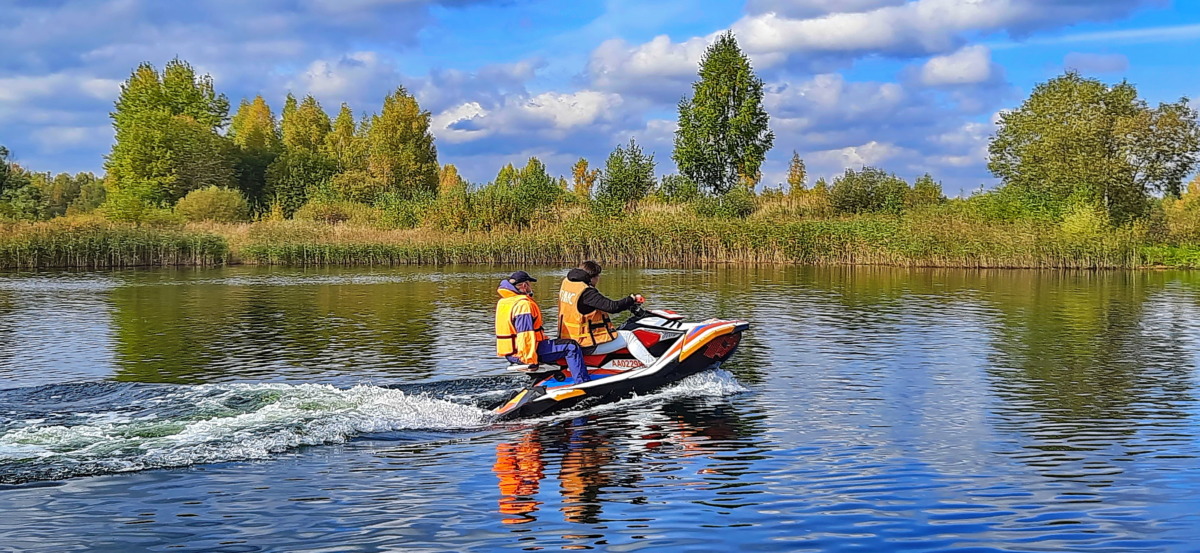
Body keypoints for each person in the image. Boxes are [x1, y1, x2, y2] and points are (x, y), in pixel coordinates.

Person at [495, 270, 590, 383]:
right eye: (530, 284)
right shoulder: (523, 305)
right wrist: (530, 361)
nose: (531, 287)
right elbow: (525, 335)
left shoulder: (504, 302)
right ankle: (583, 382)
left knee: (559, 343)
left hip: (512, 353)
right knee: (571, 346)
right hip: (524, 353)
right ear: (525, 285)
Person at [557, 261, 656, 367]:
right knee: (629, 337)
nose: (598, 279)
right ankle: (653, 366)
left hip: (568, 340)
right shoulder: (586, 293)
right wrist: (631, 299)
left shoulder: (568, 283)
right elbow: (612, 307)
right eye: (598, 276)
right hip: (586, 344)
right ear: (592, 278)